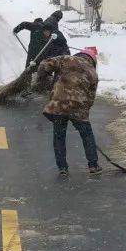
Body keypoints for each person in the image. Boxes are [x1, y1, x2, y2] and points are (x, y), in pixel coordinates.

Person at [35, 47, 101, 177]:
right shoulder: (93, 72)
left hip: (59, 105)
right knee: (87, 135)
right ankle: (93, 165)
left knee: (59, 136)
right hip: (79, 107)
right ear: (92, 60)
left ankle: (62, 168)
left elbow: (44, 65)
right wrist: (83, 113)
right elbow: (90, 98)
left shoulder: (65, 59)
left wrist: (43, 77)